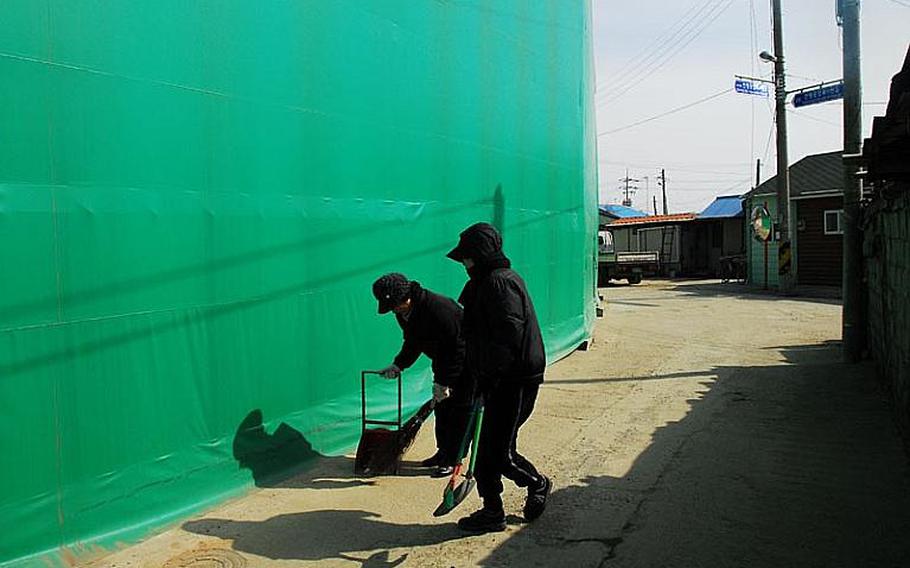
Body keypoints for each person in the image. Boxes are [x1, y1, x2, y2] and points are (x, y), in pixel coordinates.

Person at [446, 222, 551, 533]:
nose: (464, 263)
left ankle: (538, 483)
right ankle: (493, 511)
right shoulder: (485, 281)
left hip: (513, 379)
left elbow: (508, 336)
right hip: (496, 377)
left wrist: (489, 377)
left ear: (479, 255)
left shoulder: (499, 283)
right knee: (487, 448)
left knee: (496, 451)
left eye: (467, 257)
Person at [372, 273, 475, 477]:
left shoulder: (439, 309)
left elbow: (458, 348)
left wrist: (445, 383)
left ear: (407, 296)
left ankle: (454, 459)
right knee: (442, 410)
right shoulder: (404, 312)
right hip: (442, 362)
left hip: (468, 364)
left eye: (396, 305)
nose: (394, 310)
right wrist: (398, 365)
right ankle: (442, 453)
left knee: (460, 412)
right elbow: (413, 341)